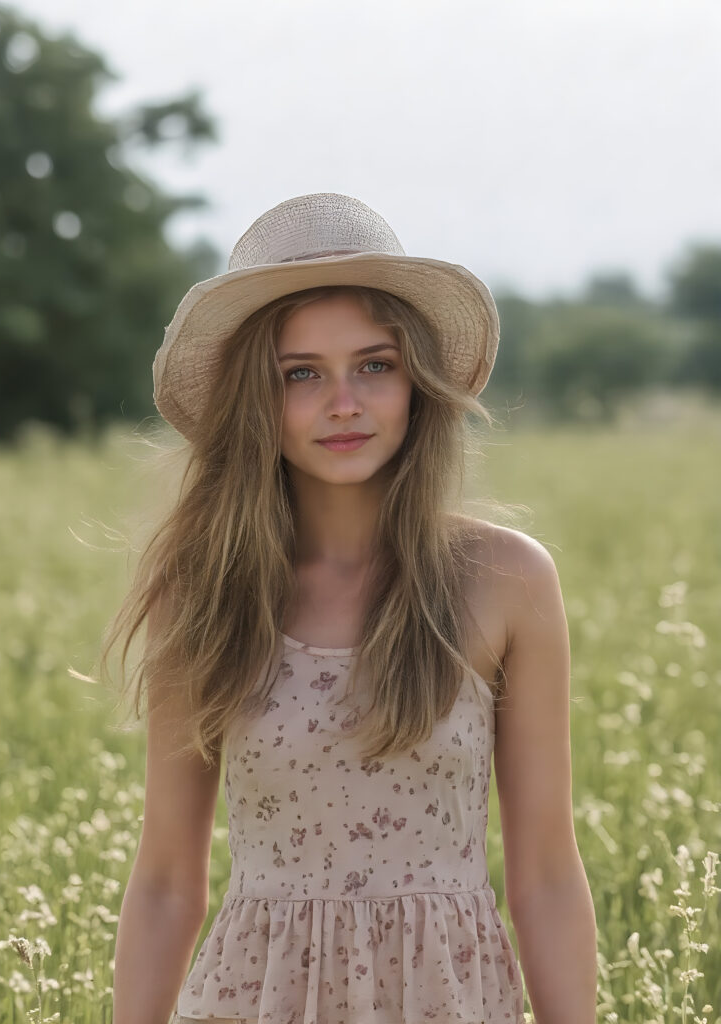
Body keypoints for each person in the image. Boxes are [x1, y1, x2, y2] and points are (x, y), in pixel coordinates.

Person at [105, 193, 598, 1024]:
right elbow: (164, 879)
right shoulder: (206, 591)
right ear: (256, 402)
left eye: (374, 365)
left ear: (417, 383)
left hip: (446, 999)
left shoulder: (504, 580)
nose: (344, 403)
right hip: (252, 1001)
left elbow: (546, 869)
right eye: (301, 374)